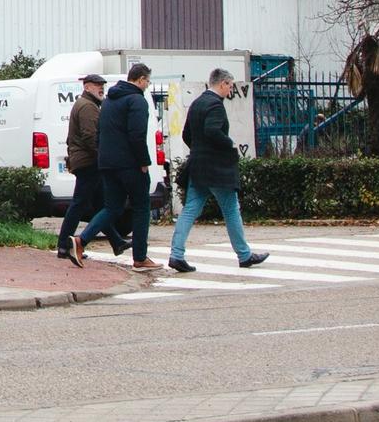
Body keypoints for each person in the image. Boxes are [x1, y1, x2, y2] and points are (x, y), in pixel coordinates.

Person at [167, 68, 268, 272]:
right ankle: (244, 255)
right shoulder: (215, 105)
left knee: (190, 209)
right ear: (222, 84)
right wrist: (229, 145)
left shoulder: (197, 103)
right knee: (231, 209)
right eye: (230, 86)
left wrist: (199, 149)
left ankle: (176, 254)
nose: (230, 90)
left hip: (198, 166)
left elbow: (187, 134)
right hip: (217, 169)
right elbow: (212, 131)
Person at [72, 63, 160, 270]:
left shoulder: (109, 100)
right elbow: (137, 135)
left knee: (112, 207)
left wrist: (103, 157)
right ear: (140, 80)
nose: (147, 85)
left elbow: (100, 133)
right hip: (130, 164)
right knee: (141, 207)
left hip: (107, 164)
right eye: (147, 81)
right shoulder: (137, 100)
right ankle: (140, 258)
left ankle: (80, 241)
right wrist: (144, 162)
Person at [56, 74, 129, 261]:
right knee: (80, 203)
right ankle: (63, 245)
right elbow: (91, 137)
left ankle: (116, 241)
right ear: (86, 87)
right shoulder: (88, 107)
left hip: (86, 161)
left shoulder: (87, 104)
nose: (101, 88)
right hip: (89, 162)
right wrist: (104, 157)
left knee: (99, 205)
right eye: (97, 85)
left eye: (102, 85)